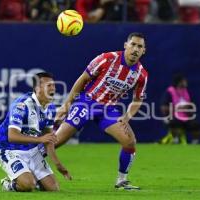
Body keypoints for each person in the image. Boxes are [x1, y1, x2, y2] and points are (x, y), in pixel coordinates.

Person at [55, 32, 148, 190]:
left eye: (140, 46)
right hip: (87, 102)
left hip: (108, 109)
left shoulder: (141, 74)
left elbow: (138, 100)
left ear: (143, 51)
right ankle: (27, 159)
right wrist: (67, 104)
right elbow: (83, 79)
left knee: (129, 141)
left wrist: (126, 117)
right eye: (133, 44)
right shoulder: (106, 58)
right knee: (57, 141)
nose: (135, 49)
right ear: (125, 45)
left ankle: (121, 181)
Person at [0, 72, 71, 192]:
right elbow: (12, 136)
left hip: (32, 151)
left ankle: (31, 177)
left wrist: (58, 165)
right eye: (49, 85)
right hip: (9, 150)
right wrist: (39, 139)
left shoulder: (50, 109)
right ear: (37, 88)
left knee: (54, 189)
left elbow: (48, 139)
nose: (53, 88)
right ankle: (8, 184)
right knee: (28, 185)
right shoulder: (22, 105)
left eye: (54, 85)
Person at [160, 74, 200, 144]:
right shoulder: (170, 91)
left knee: (196, 125)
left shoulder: (187, 92)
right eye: (184, 81)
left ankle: (195, 142)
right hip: (173, 116)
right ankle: (175, 140)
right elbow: (163, 107)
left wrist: (189, 110)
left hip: (186, 117)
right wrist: (178, 108)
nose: (186, 82)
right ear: (179, 82)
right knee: (173, 123)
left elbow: (192, 106)